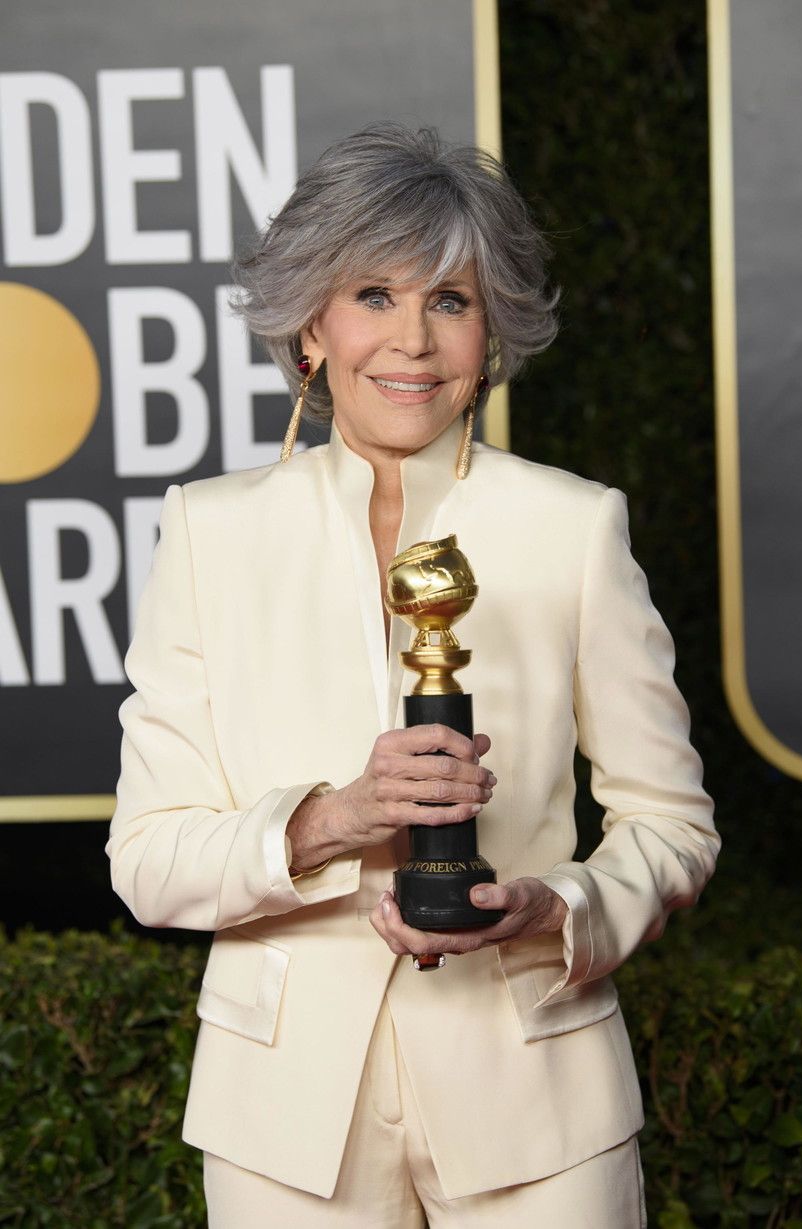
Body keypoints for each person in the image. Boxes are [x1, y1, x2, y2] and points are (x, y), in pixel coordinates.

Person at [107, 122, 718, 1227]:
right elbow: (148, 861)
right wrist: (330, 820)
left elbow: (671, 827)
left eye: (450, 299)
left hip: (538, 1103)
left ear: (491, 330)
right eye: (374, 295)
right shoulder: (207, 532)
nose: (413, 341)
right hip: (284, 1120)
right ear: (312, 324)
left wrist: (558, 906)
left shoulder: (574, 526)